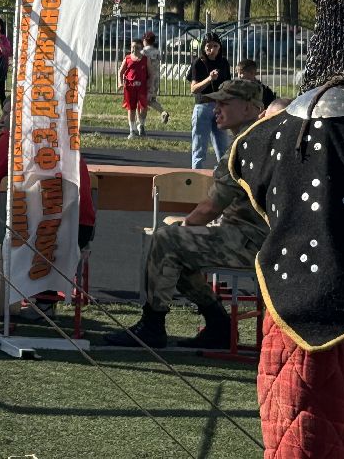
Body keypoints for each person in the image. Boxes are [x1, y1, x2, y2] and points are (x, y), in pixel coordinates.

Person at [105, 78, 268, 350]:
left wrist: (186, 225)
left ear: (250, 108)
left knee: (166, 241)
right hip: (251, 238)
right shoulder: (255, 140)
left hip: (250, 241)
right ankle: (218, 325)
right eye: (215, 102)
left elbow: (211, 207)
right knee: (176, 251)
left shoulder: (247, 146)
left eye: (225, 103)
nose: (216, 108)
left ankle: (153, 324)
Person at [0, 129, 96, 324]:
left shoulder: (16, 135)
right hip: (78, 231)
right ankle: (44, 303)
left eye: (8, 111)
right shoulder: (66, 133)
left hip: (37, 232)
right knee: (44, 223)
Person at [187, 33, 232, 169]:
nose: (211, 49)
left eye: (215, 46)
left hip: (220, 107)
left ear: (219, 48)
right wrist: (209, 79)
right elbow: (194, 89)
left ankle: (223, 175)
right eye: (208, 46)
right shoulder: (198, 63)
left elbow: (227, 84)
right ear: (203, 47)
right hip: (203, 106)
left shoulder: (223, 63)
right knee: (199, 145)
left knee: (223, 146)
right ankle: (196, 173)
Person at [119, 39, 149, 138]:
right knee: (131, 108)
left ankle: (141, 125)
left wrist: (151, 85)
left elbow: (151, 74)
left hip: (142, 87)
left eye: (136, 47)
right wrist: (120, 83)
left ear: (141, 48)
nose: (134, 49)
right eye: (132, 47)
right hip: (130, 87)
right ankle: (132, 130)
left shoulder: (145, 59)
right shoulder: (127, 58)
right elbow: (121, 72)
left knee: (144, 107)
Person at [141, 30, 170, 126]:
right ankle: (163, 112)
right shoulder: (157, 52)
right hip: (156, 78)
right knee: (152, 99)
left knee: (143, 100)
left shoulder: (143, 52)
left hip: (146, 78)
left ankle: (140, 123)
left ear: (145, 40)